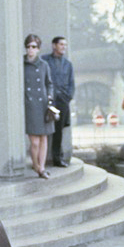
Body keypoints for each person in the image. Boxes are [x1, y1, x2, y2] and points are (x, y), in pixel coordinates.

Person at [23, 33, 55, 178]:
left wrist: (49, 95)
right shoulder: (21, 65)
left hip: (43, 104)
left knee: (43, 138)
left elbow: (49, 83)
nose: (31, 49)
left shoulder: (44, 65)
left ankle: (41, 168)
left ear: (38, 49)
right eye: (28, 46)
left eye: (34, 47)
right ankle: (36, 165)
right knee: (34, 142)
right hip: (30, 105)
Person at [43, 36, 75, 168]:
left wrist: (67, 98)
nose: (64, 47)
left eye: (65, 45)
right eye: (61, 44)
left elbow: (71, 84)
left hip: (62, 101)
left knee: (58, 132)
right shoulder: (44, 60)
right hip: (47, 100)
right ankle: (40, 160)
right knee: (43, 130)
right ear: (54, 46)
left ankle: (57, 158)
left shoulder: (68, 64)